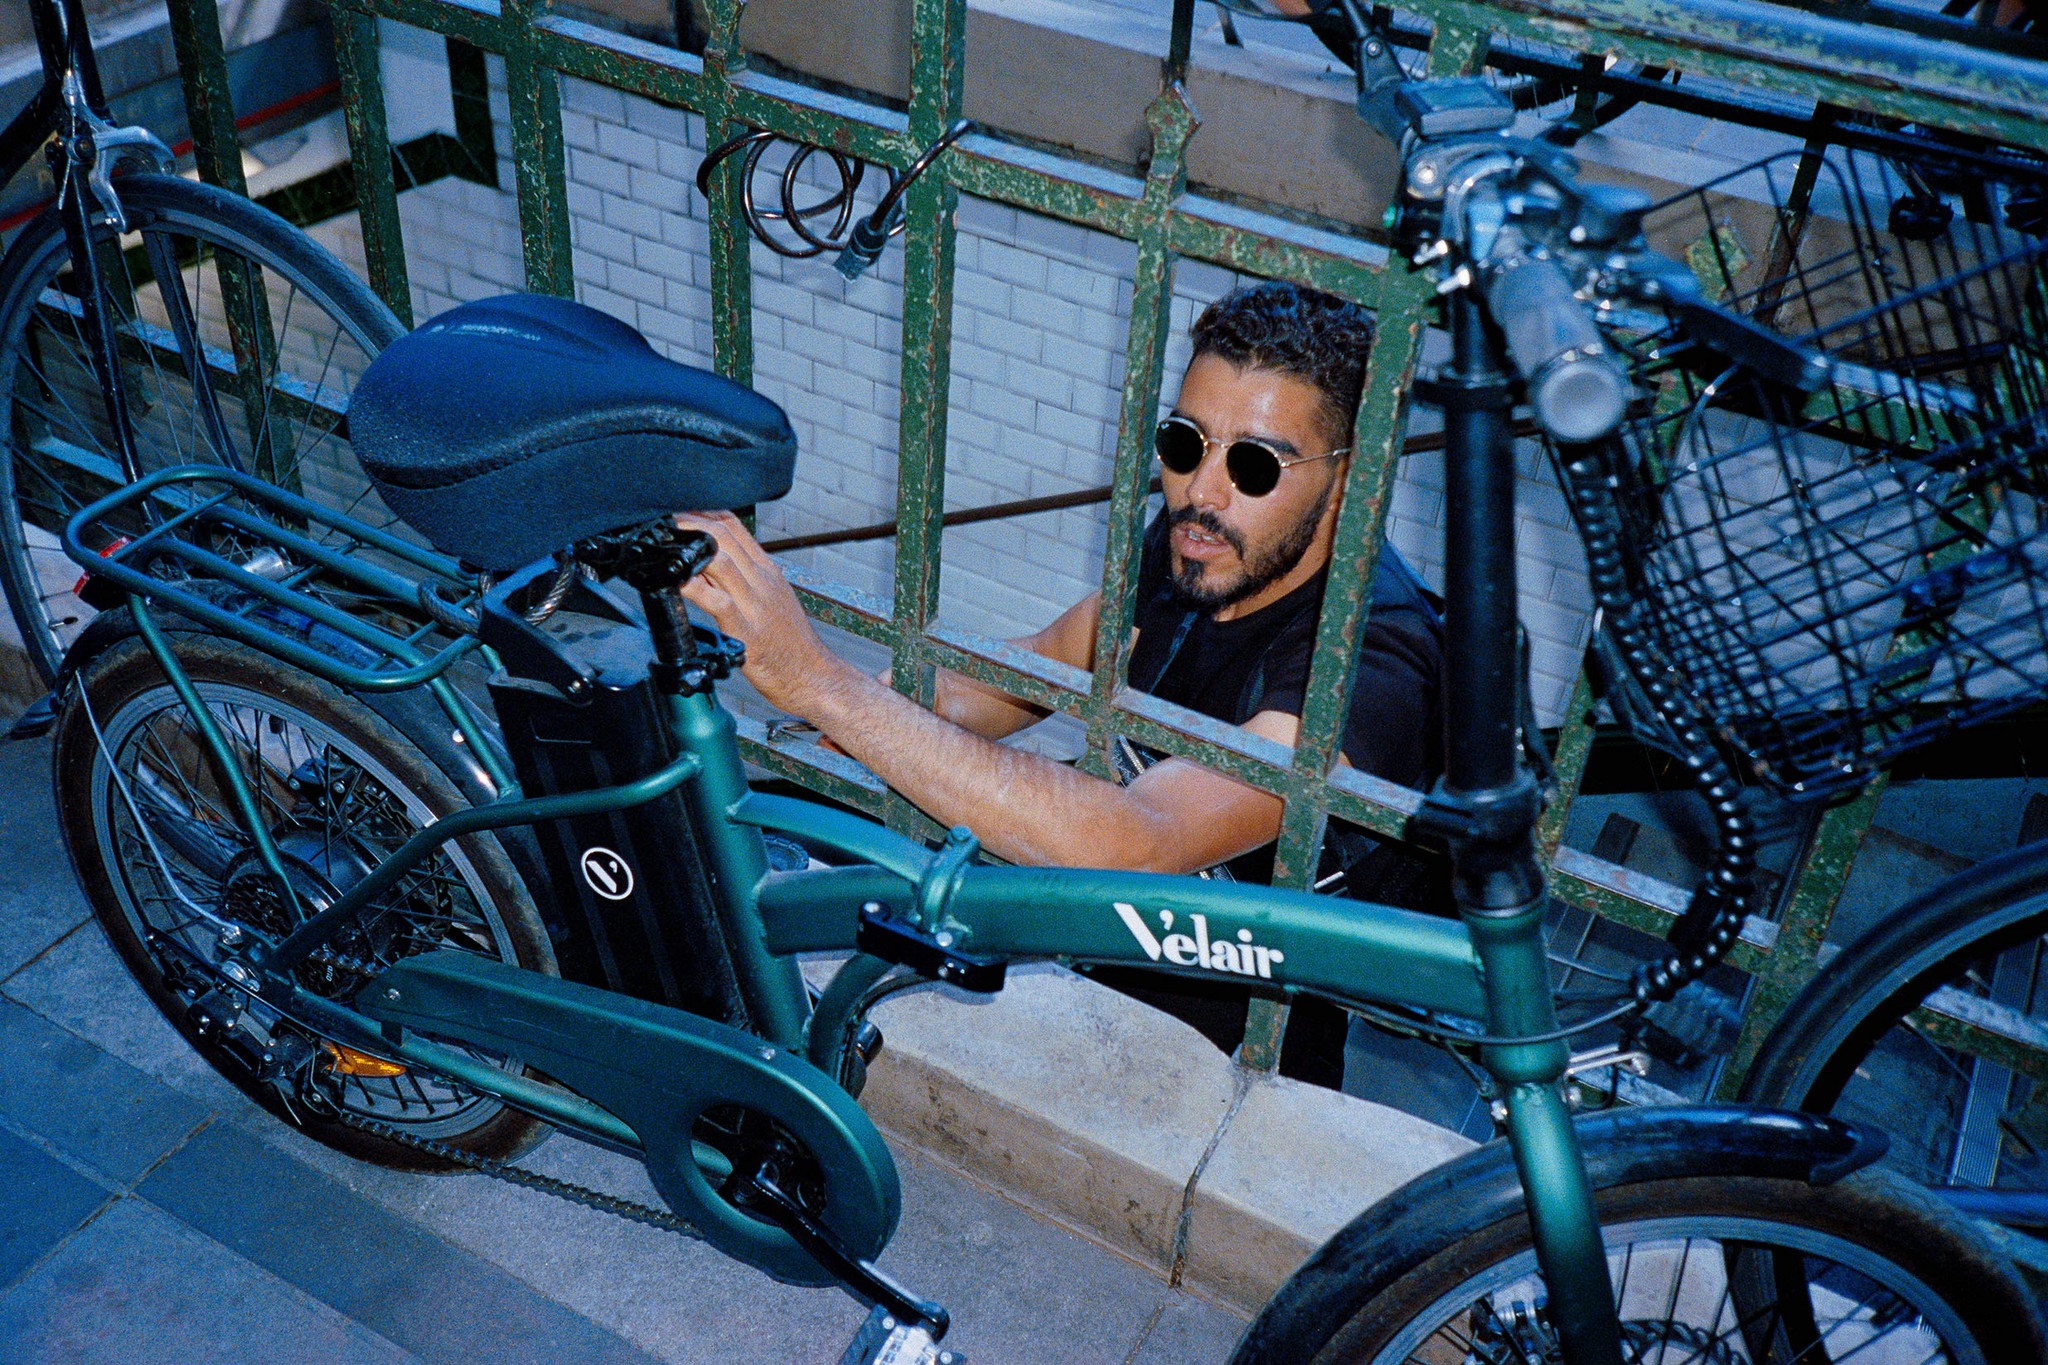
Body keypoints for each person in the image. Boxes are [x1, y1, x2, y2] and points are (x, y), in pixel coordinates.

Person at [677, 281, 1445, 1088]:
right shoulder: (1206, 541)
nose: (1202, 492)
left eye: (1254, 464)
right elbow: (1050, 659)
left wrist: (826, 684)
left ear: (1349, 479)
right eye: (1185, 443)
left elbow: (1137, 839)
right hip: (1080, 955)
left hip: (1217, 1054)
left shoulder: (1372, 666)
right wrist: (882, 701)